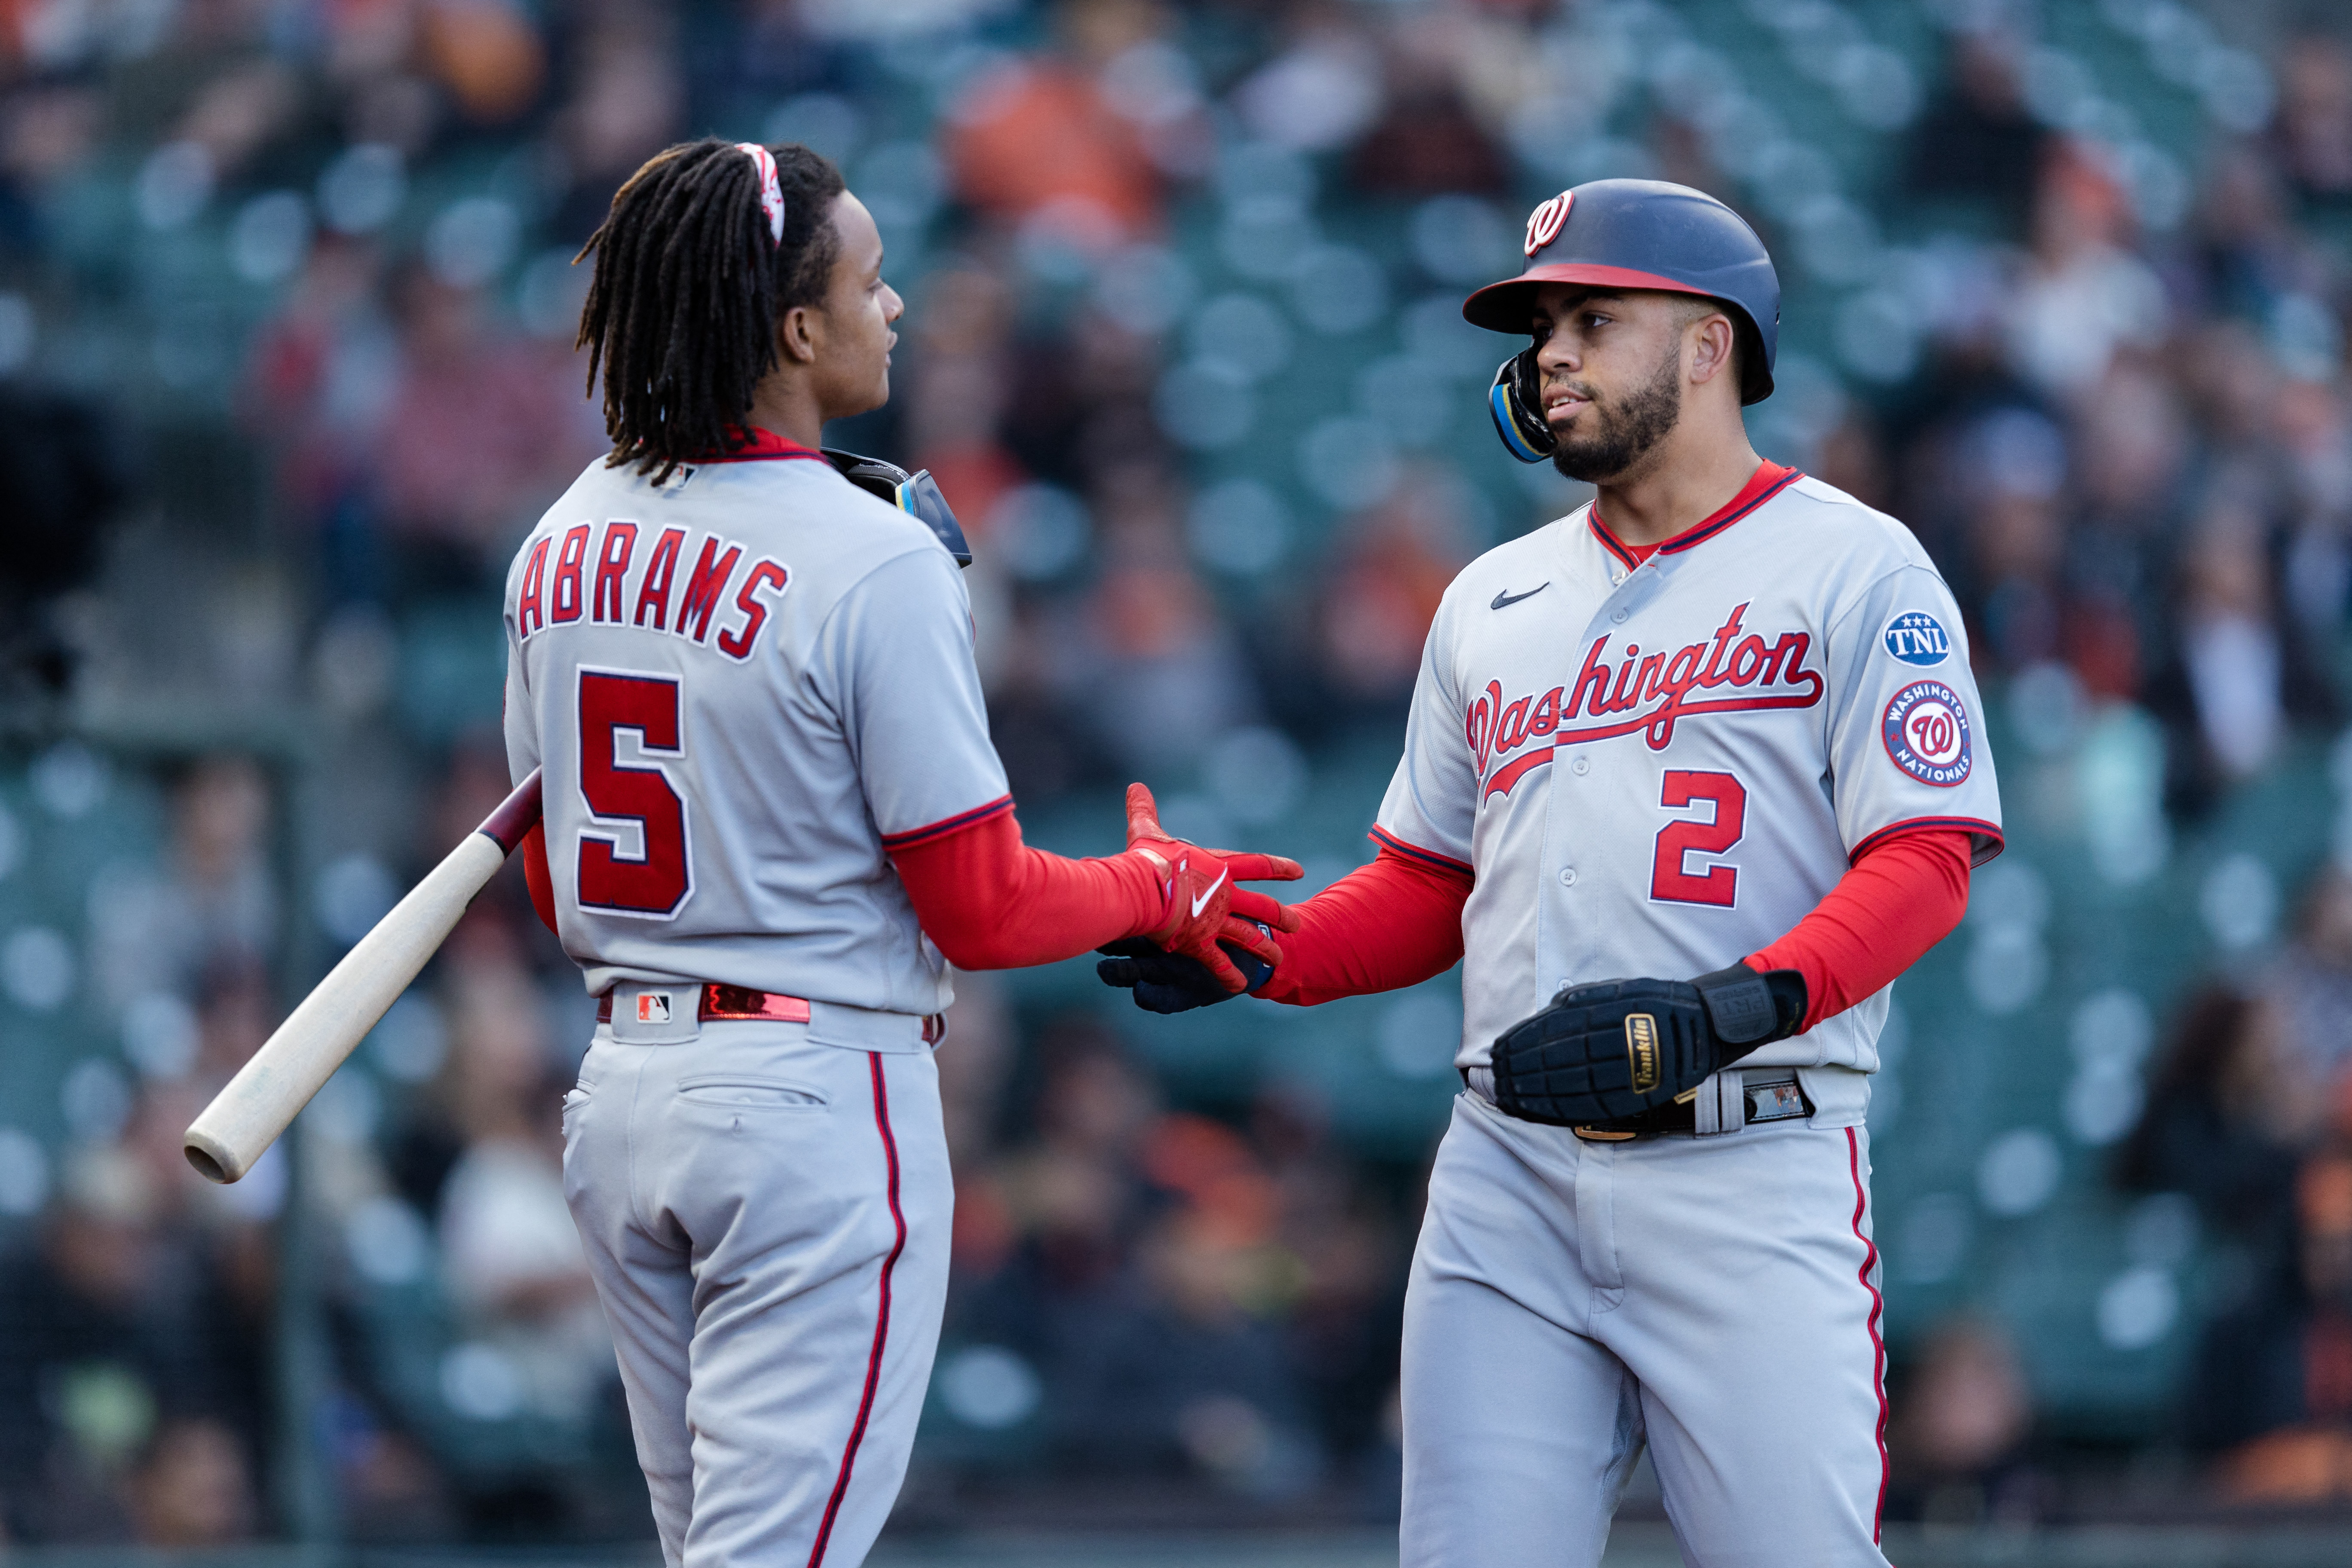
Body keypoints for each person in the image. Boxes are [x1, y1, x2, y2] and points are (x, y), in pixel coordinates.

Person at [1099, 179, 2005, 1565]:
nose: (1551, 355)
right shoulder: (1491, 597)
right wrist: (1262, 953)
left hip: (1749, 1158)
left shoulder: (1858, 566)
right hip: (1506, 1180)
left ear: (1710, 345)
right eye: (1540, 328)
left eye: (1594, 318)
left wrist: (1726, 1010)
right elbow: (1423, 888)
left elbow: (1928, 857)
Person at [499, 138, 1299, 1568]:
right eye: (870, 284)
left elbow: (555, 875)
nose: (899, 307)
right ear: (797, 331)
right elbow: (984, 907)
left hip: (623, 1097)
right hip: (810, 1101)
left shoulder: (562, 538)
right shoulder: (874, 556)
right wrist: (1157, 887)